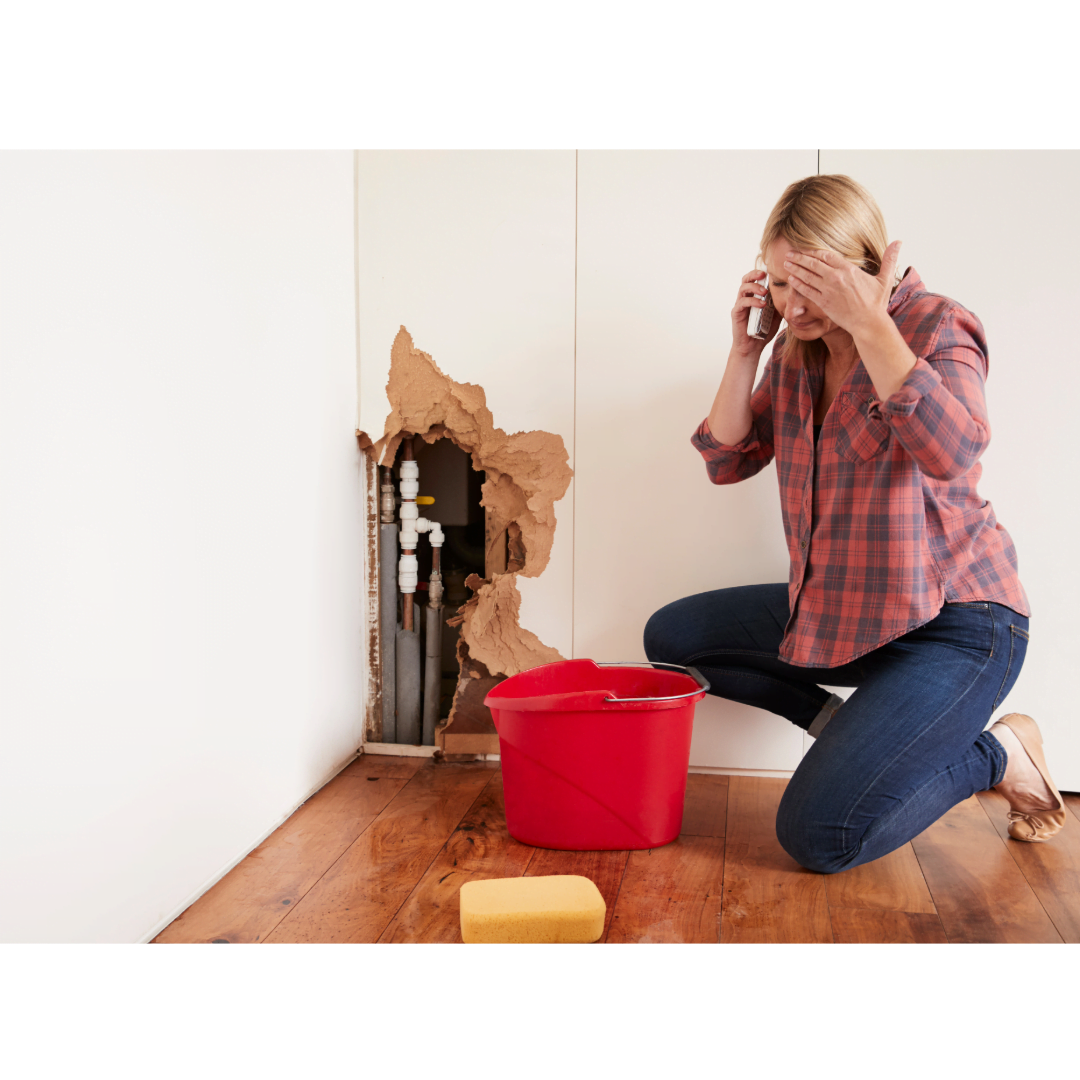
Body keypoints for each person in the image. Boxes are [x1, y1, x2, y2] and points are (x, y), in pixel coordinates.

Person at [643, 174, 1065, 874]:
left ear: (868, 266)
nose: (797, 304)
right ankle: (851, 730)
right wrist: (746, 350)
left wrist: (872, 324)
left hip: (960, 625)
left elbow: (954, 449)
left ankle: (1000, 755)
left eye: (816, 281)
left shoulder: (936, 324)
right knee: (677, 639)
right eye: (781, 283)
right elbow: (726, 460)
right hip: (852, 612)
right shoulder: (793, 352)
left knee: (819, 838)